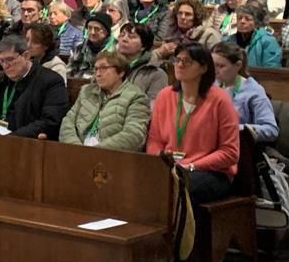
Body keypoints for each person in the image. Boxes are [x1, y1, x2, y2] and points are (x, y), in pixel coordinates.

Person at [145, 42, 239, 205]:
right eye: (177, 60)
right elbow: (155, 140)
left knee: (177, 187)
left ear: (203, 68)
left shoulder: (220, 100)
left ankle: (182, 231)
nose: (179, 65)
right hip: (171, 168)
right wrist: (161, 161)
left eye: (186, 61)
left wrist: (192, 165)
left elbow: (230, 152)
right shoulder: (165, 96)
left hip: (211, 172)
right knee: (135, 181)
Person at [0, 34, 68, 139]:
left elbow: (49, 121)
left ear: (26, 56)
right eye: (1, 61)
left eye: (10, 59)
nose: (5, 66)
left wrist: (10, 137)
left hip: (27, 144)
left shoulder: (51, 81)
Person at [58, 52, 151, 151]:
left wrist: (95, 152)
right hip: (76, 151)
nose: (98, 74)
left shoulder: (136, 97)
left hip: (110, 157)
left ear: (121, 72)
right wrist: (76, 147)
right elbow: (67, 123)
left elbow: (133, 135)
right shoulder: (87, 91)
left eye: (103, 68)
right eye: (96, 69)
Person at [211, 41, 277, 146]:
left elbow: (271, 129)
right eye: (213, 65)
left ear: (238, 65)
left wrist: (237, 128)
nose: (215, 71)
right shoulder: (212, 85)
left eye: (221, 66)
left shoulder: (253, 90)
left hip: (239, 148)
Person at [113, 21, 168, 103]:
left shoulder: (156, 74)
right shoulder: (106, 65)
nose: (124, 39)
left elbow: (153, 108)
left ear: (143, 46)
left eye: (131, 37)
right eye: (122, 35)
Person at [228, 2, 283, 70]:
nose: (242, 21)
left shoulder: (268, 42)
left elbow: (271, 70)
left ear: (257, 23)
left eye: (247, 19)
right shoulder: (228, 40)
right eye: (239, 18)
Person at [67, 11, 112, 78]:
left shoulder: (114, 50)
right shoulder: (79, 47)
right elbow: (69, 71)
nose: (92, 32)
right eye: (89, 28)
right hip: (77, 84)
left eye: (97, 29)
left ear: (107, 31)